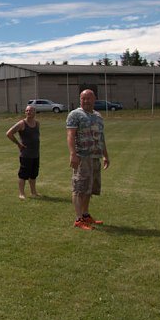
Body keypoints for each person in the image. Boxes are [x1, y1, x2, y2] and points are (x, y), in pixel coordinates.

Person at [66, 89, 110, 230]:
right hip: (82, 157)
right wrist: (73, 154)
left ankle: (85, 215)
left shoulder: (98, 116)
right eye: (83, 98)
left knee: (89, 188)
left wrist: (105, 155)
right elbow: (70, 135)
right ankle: (79, 219)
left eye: (88, 98)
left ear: (94, 99)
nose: (85, 101)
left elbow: (101, 138)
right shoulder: (75, 115)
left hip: (95, 157)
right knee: (79, 188)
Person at [7, 104, 41, 199]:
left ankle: (33, 192)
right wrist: (18, 144)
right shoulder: (22, 123)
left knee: (33, 174)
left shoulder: (37, 123)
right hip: (26, 155)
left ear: (34, 112)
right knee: (23, 175)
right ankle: (21, 193)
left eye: (30, 110)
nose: (28, 112)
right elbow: (9, 133)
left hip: (35, 154)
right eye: (27, 111)